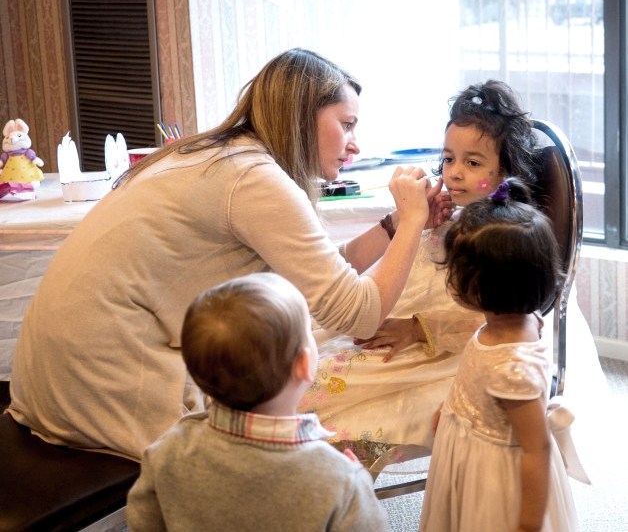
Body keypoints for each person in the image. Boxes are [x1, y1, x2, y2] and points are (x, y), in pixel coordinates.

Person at [7, 48, 448, 460]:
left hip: (51, 373)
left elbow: (320, 272)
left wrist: (393, 225)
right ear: (300, 116)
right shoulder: (254, 178)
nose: (356, 144)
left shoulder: (223, 156)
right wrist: (411, 221)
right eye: (347, 124)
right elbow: (359, 313)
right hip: (102, 380)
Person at [300, 80, 606, 457]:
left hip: (452, 348)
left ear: (503, 173)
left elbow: (503, 321)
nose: (455, 172)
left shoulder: (501, 240)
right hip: (408, 320)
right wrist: (413, 223)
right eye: (448, 159)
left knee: (333, 390)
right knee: (311, 349)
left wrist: (416, 329)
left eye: (472, 162)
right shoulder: (447, 218)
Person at [126, 273, 389, 532]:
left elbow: (143, 522)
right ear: (305, 365)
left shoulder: (167, 451)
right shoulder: (341, 481)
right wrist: (360, 488)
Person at [419, 178, 579, 532]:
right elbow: (475, 375)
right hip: (469, 442)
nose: (450, 281)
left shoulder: (513, 369)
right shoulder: (511, 320)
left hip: (494, 475)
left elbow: (537, 450)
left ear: (479, 287)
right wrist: (454, 408)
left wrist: (526, 525)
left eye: (454, 273)